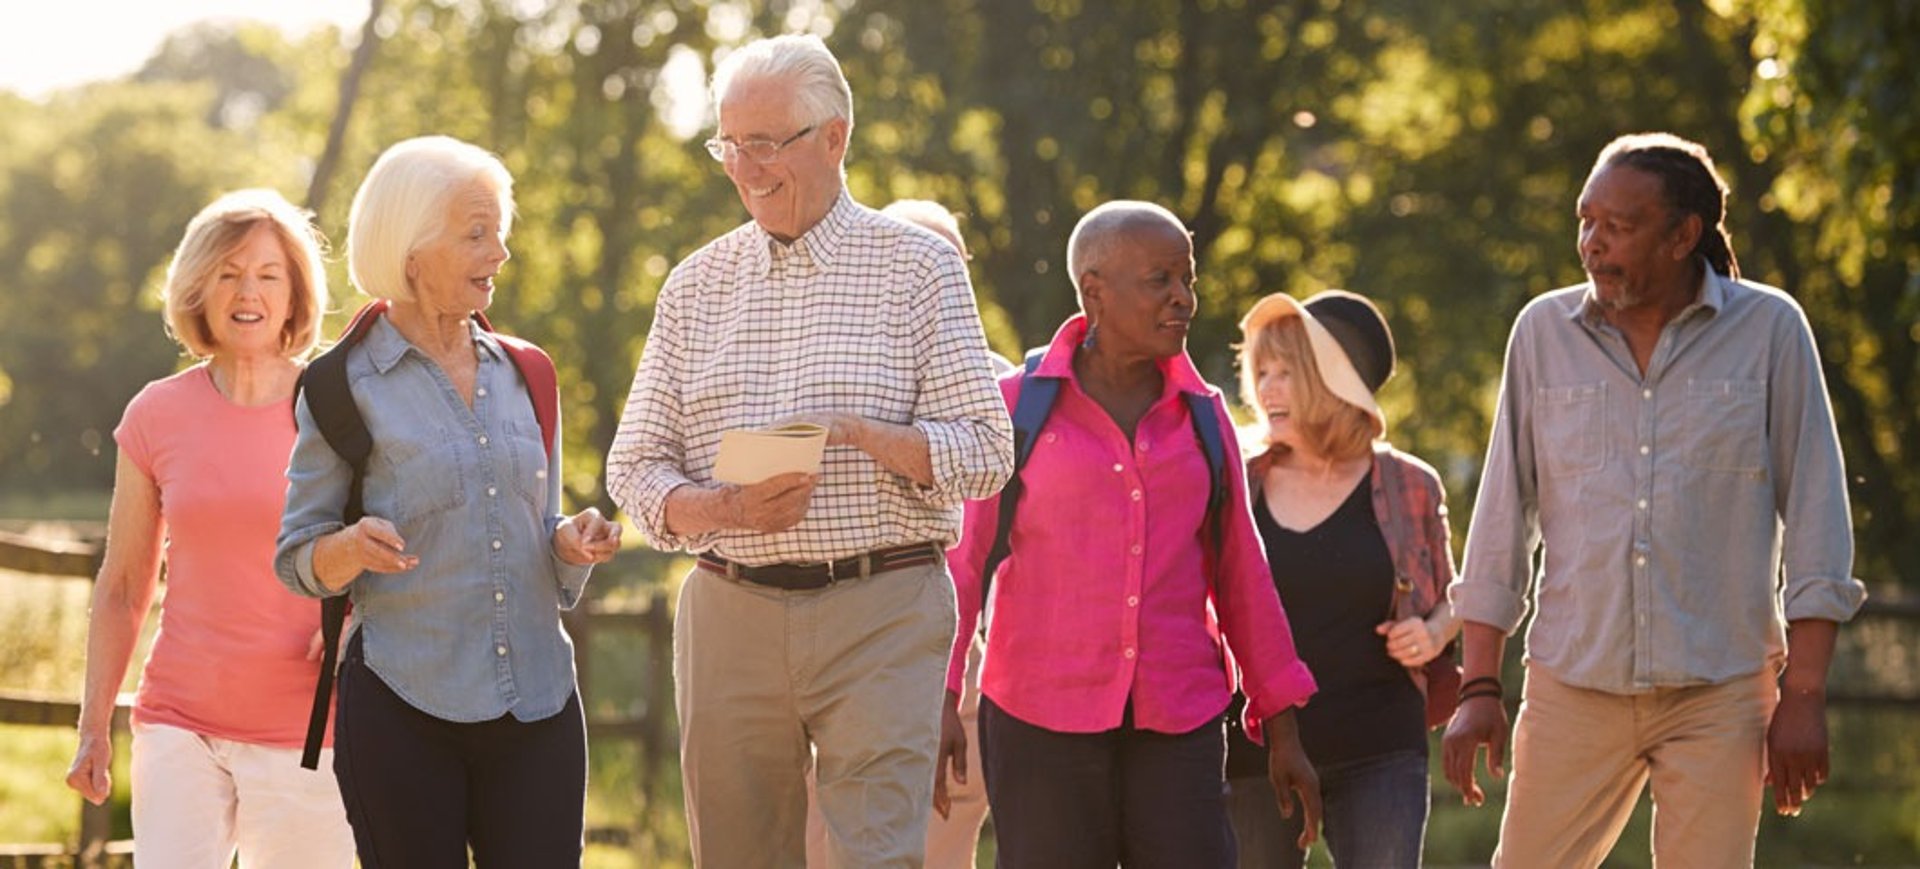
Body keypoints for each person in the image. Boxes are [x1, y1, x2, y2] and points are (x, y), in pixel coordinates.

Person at [604, 35, 1013, 868]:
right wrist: (723, 507)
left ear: (834, 138)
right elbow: (634, 465)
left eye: (766, 142)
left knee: (876, 858)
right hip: (730, 609)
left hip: (883, 604)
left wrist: (864, 435)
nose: (746, 167)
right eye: (730, 144)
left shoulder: (920, 268)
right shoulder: (693, 285)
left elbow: (985, 451)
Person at [1442, 132, 1865, 867]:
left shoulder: (1770, 330)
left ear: (1682, 236)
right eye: (1585, 220)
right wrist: (1480, 682)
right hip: (1574, 681)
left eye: (1618, 226)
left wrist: (1803, 692)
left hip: (1721, 690)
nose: (1592, 243)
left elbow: (1819, 519)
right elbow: (1504, 515)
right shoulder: (1543, 333)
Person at [938, 200, 1321, 868]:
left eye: (1187, 280)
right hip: (1037, 719)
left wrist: (1282, 725)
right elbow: (963, 565)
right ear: (1095, 290)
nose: (1183, 299)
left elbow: (1241, 574)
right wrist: (938, 697)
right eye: (1160, 281)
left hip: (1179, 718)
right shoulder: (1014, 407)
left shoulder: (1204, 420)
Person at [275, 135, 621, 866]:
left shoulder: (529, 372)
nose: (499, 252)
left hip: (539, 705)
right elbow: (297, 552)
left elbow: (540, 528)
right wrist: (347, 548)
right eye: (475, 233)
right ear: (411, 250)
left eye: (499, 231)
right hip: (404, 706)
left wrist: (569, 542)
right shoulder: (342, 386)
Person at [64, 189, 354, 866]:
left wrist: (358, 624)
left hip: (308, 730)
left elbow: (393, 540)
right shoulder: (156, 414)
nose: (246, 290)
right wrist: (93, 728)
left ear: (293, 294)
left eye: (267, 273)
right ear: (198, 287)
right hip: (179, 722)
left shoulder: (340, 408)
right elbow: (124, 583)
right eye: (227, 272)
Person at [1225, 289, 1459, 867]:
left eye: (1287, 373)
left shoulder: (1411, 484)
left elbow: (1457, 596)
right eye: (1262, 372)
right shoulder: (1235, 482)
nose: (1267, 389)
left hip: (1379, 749)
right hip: (1255, 754)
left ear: (1334, 384)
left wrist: (1434, 632)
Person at [800, 197, 1001, 869]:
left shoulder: (1005, 391)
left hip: (962, 674)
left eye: (948, 263)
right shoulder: (823, 375)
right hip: (835, 664)